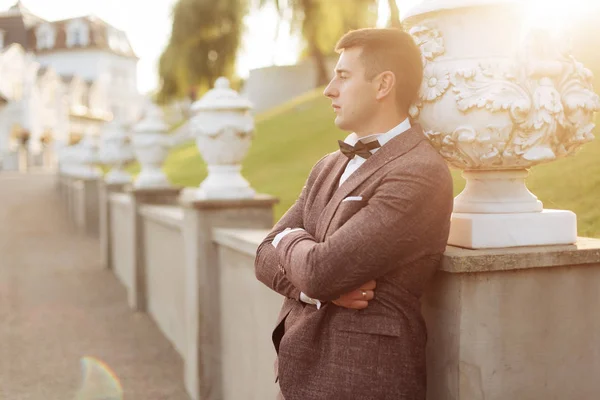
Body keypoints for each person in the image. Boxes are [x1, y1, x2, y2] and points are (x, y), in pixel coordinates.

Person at [255, 27, 453, 400]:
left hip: (363, 380)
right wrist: (315, 292)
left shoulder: (419, 172)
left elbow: (320, 270)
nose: (330, 89)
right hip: (295, 375)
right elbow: (263, 255)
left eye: (343, 76)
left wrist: (289, 239)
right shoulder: (326, 166)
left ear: (383, 85)